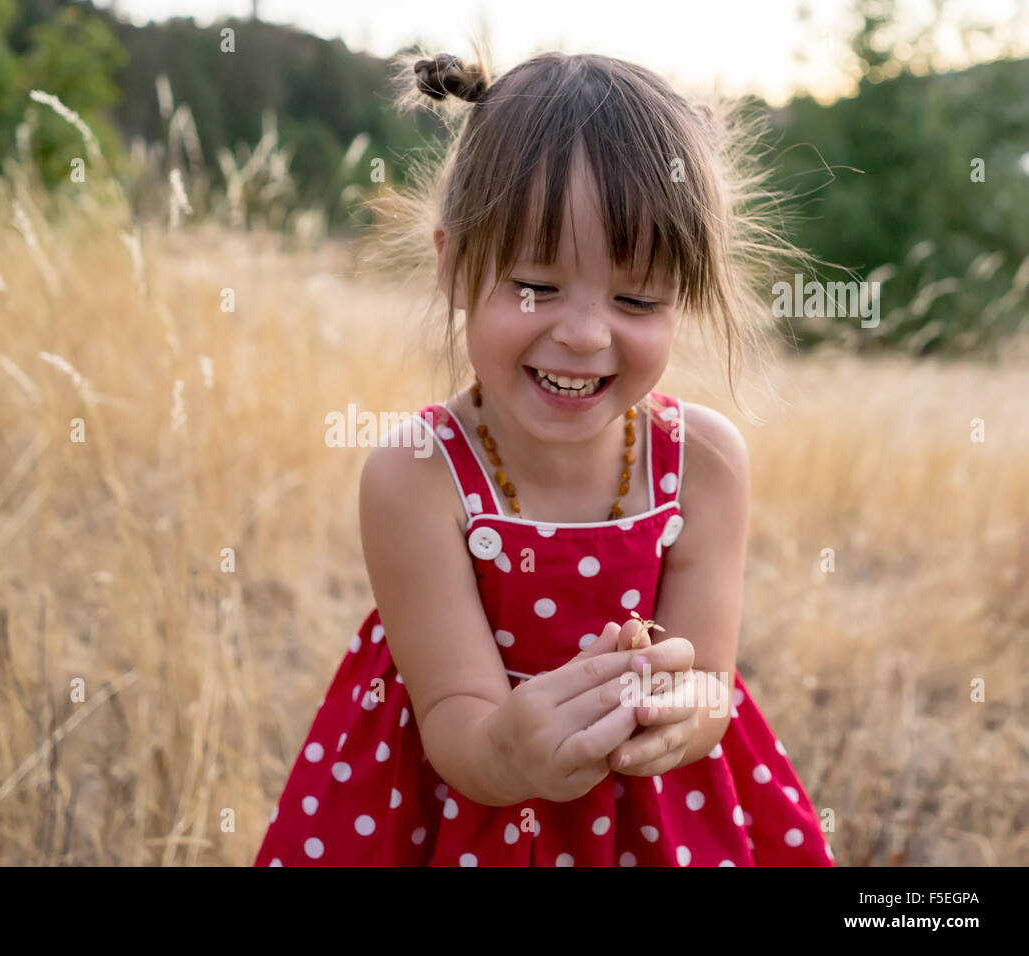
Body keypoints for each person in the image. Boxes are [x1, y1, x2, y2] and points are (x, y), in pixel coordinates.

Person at [255, 46, 834, 866]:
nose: (586, 333)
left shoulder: (703, 461)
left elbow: (713, 682)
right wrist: (514, 752)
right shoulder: (416, 474)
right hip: (466, 813)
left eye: (636, 298)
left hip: (653, 817)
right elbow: (455, 720)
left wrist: (676, 712)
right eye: (536, 287)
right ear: (455, 265)